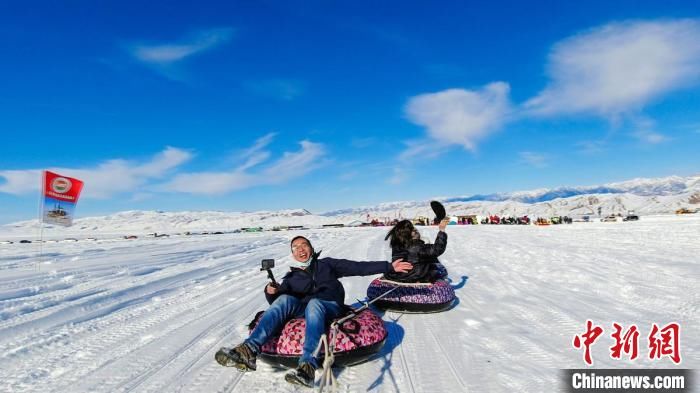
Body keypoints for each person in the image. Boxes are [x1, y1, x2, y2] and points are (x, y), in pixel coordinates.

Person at [215, 235, 412, 388]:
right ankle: (248, 350)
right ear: (293, 254)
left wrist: (388, 266)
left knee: (314, 304)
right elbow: (277, 304)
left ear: (311, 248)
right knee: (285, 298)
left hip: (330, 305)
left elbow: (357, 266)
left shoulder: (326, 264)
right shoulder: (291, 277)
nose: (301, 250)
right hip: (304, 311)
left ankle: (308, 365)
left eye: (304, 246)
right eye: (296, 248)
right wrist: (270, 292)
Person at [382, 218, 449, 283]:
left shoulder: (396, 246)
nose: (416, 230)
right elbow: (437, 249)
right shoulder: (418, 247)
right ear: (407, 234)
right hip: (415, 277)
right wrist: (442, 231)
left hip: (398, 276)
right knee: (438, 268)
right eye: (413, 230)